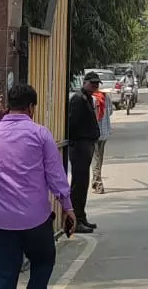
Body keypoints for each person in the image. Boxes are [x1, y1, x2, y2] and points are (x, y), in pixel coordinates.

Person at [0, 84, 76, 289]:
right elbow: (55, 176)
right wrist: (68, 207)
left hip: (1, 222)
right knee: (43, 262)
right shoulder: (41, 134)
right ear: (31, 107)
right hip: (36, 221)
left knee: (4, 276)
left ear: (9, 105)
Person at [65, 72, 102, 231]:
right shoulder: (78, 99)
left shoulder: (87, 98)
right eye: (92, 83)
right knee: (78, 185)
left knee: (83, 183)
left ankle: (81, 217)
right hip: (79, 146)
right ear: (85, 82)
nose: (95, 86)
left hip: (86, 145)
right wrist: (76, 141)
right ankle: (75, 221)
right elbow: (71, 123)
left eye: (97, 84)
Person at [91, 84, 113, 195]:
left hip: (94, 133)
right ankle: (95, 181)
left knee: (95, 158)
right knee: (99, 158)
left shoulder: (92, 98)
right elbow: (111, 112)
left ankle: (98, 184)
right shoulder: (107, 97)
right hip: (105, 133)